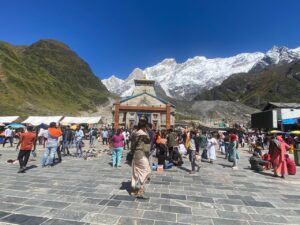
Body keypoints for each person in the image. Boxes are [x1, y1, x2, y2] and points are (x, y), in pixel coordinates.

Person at [130, 120, 151, 199]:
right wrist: (146, 131)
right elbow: (149, 138)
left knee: (136, 171)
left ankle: (135, 189)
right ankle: (140, 191)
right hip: (140, 154)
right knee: (146, 170)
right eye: (146, 127)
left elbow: (131, 139)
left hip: (135, 154)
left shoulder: (134, 133)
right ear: (143, 127)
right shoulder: (142, 133)